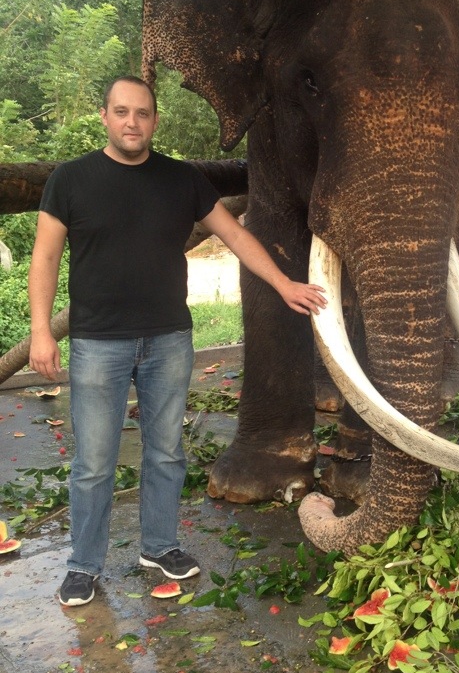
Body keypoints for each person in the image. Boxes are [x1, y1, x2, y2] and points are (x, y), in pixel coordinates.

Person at [28, 76, 327, 607]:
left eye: (142, 113)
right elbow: (45, 257)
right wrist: (40, 332)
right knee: (94, 463)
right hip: (97, 344)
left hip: (168, 339)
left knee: (166, 452)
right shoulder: (70, 179)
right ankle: (83, 566)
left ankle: (160, 546)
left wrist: (284, 283)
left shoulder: (181, 178)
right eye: (122, 112)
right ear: (104, 116)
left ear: (154, 121)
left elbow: (235, 234)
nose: (132, 122)